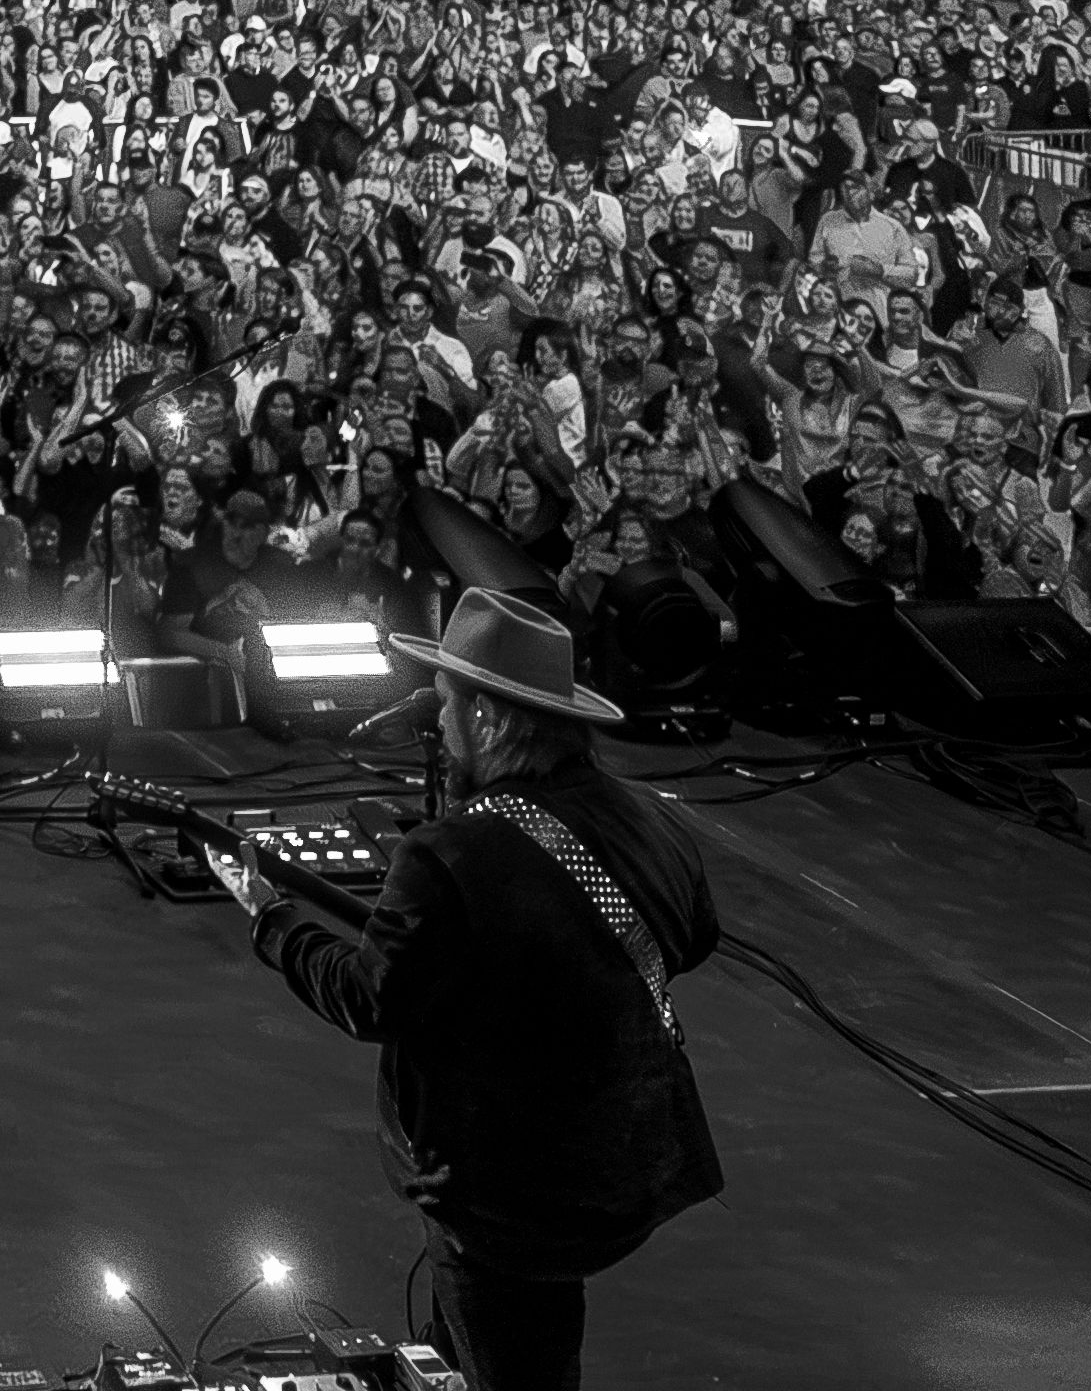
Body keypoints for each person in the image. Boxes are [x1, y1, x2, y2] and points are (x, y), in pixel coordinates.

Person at [217, 593, 722, 1391]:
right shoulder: (647, 818)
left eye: (448, 702)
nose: (438, 720)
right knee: (497, 1341)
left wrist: (272, 921)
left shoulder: (450, 854)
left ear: (485, 719)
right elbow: (695, 936)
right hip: (625, 1160)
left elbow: (368, 1000)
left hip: (504, 1194)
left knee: (516, 1361)